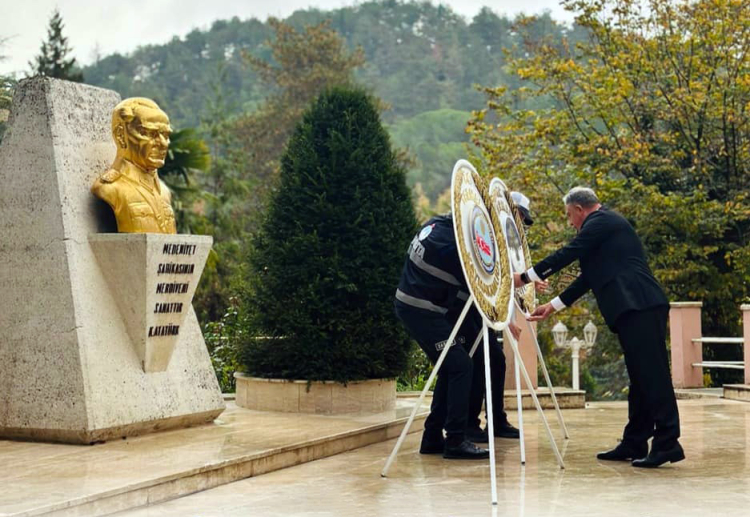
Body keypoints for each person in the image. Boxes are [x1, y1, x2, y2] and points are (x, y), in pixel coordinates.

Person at [513, 187, 683, 468]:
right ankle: (635, 441)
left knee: (653, 375)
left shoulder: (602, 221)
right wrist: (552, 306)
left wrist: (524, 277)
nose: (570, 223)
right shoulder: (602, 231)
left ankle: (668, 442)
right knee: (640, 377)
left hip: (640, 304)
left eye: (569, 215)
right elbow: (588, 278)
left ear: (580, 209)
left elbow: (567, 254)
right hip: (632, 307)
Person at [394, 212, 521, 459]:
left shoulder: (438, 225)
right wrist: (520, 279)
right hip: (422, 311)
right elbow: (483, 281)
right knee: (461, 365)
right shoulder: (451, 244)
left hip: (423, 308)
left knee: (451, 366)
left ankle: (432, 437)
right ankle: (455, 440)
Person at [465, 190, 537, 443]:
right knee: (478, 362)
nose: (521, 224)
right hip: (467, 306)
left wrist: (510, 319)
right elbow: (494, 279)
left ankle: (495, 421)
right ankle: (470, 424)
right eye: (519, 217)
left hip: (485, 312)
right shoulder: (486, 233)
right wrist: (508, 321)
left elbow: (505, 284)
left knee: (494, 360)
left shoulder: (505, 242)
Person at [92, 97, 176, 234]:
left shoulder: (164, 191)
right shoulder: (111, 189)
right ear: (120, 135)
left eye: (165, 135)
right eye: (149, 133)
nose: (163, 144)